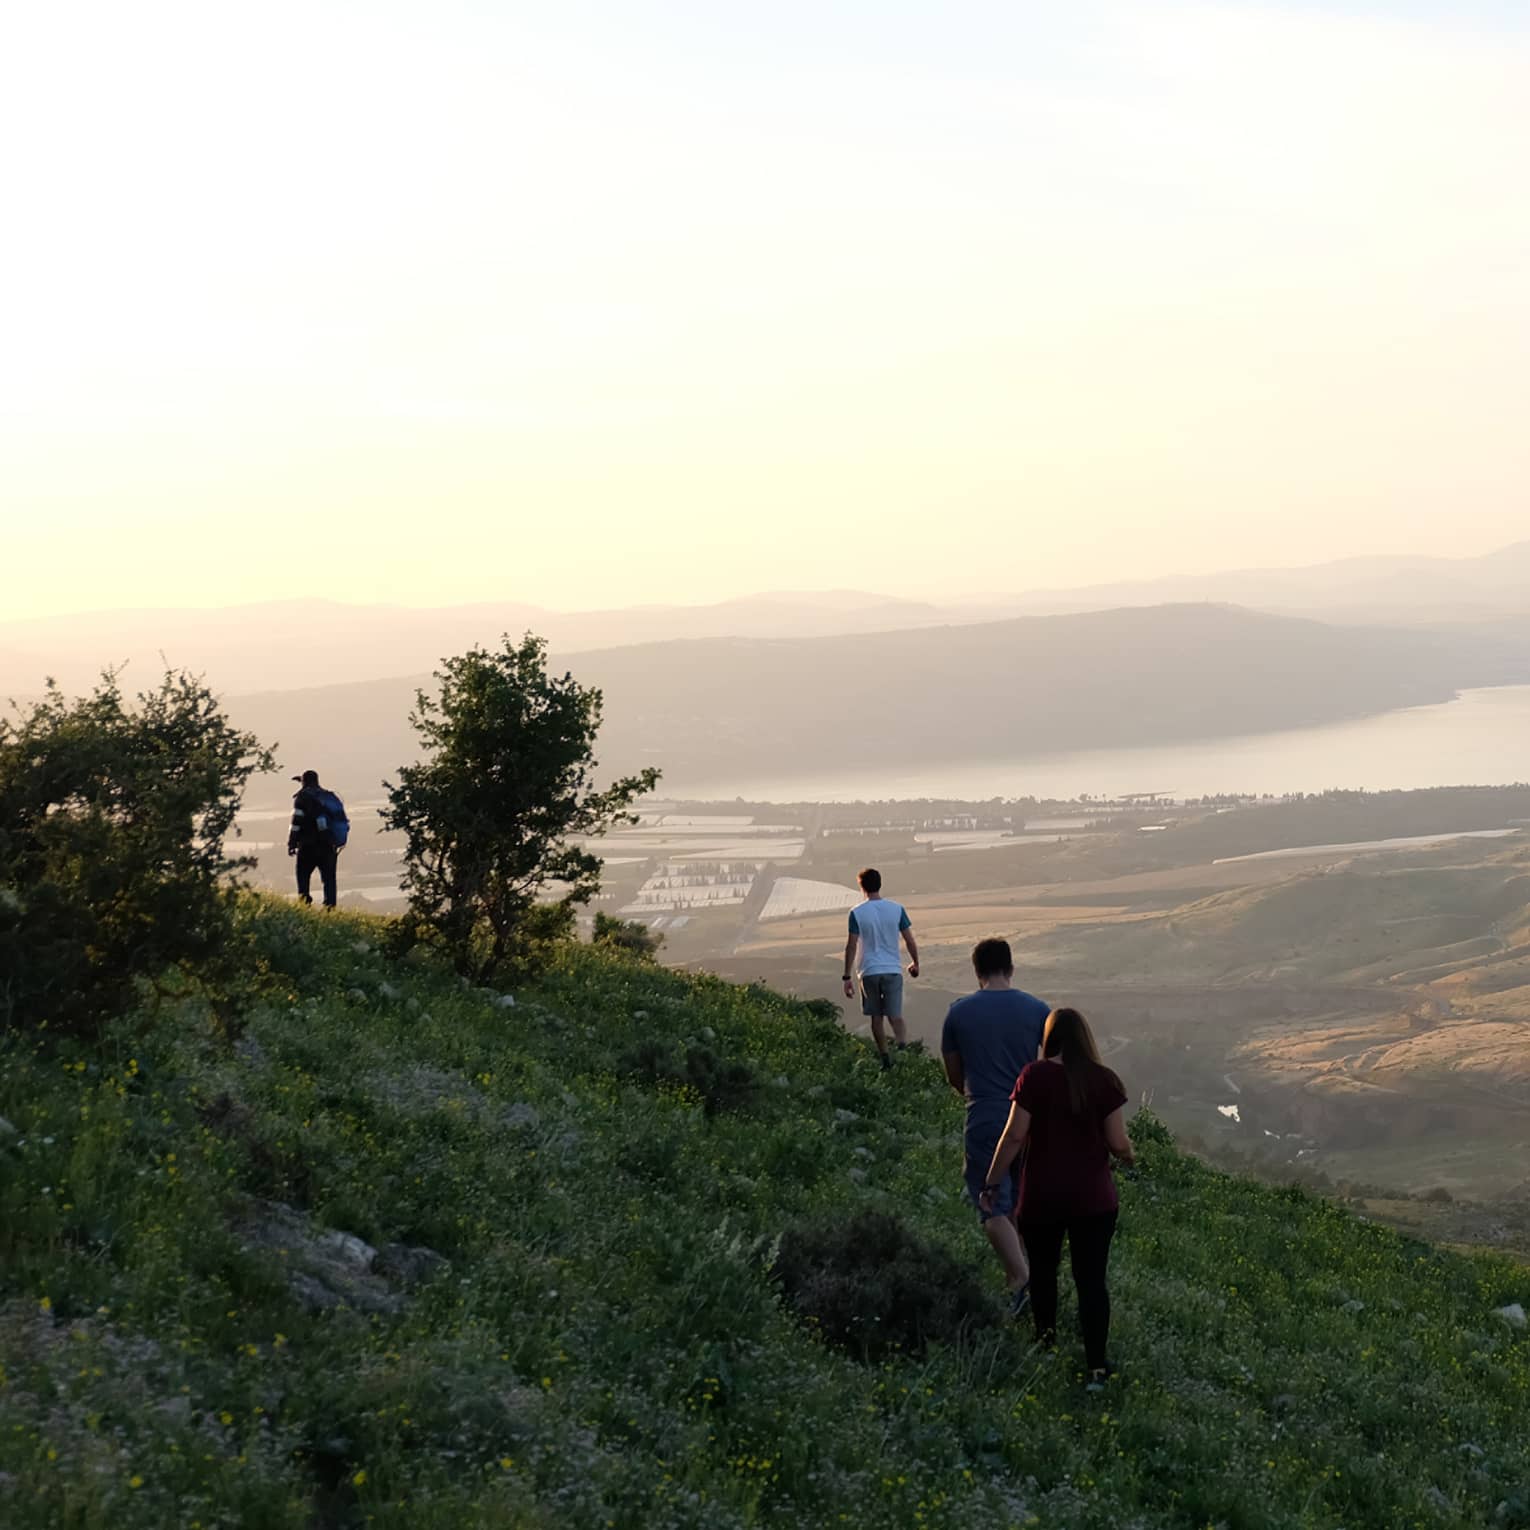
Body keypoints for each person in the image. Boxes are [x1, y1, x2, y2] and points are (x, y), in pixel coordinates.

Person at [981, 1006, 1134, 1388]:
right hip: (1094, 1200)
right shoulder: (1104, 1081)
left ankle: (1045, 1348)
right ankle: (1096, 1368)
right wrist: (1131, 1155)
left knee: (1045, 1275)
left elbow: (1014, 1136)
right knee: (1092, 1282)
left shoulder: (1034, 1076)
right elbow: (1117, 1143)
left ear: (1049, 1038)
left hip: (1042, 1196)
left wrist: (992, 1181)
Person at [940, 938, 1049, 1315]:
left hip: (985, 1113)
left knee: (990, 1201)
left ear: (977, 972)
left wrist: (976, 1095)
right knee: (1021, 1201)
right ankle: (1035, 1283)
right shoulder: (1038, 1010)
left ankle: (1021, 1281)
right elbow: (1051, 1069)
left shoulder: (959, 1012)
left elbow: (954, 1074)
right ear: (1011, 968)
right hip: (1031, 1116)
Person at [841, 868, 919, 1069]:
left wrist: (846, 976)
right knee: (895, 1015)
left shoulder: (857, 913)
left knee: (877, 1017)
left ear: (861, 887)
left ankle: (885, 1059)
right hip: (892, 969)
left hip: (869, 970)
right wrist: (915, 962)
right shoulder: (897, 909)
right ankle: (902, 1051)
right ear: (880, 883)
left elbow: (851, 945)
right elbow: (909, 939)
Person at [287, 769, 342, 909]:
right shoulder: (327, 796)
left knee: (303, 876)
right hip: (328, 845)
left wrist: (292, 843)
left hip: (308, 846)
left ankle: (304, 905)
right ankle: (330, 907)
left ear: (304, 782)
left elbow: (296, 823)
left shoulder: (302, 797)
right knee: (329, 879)